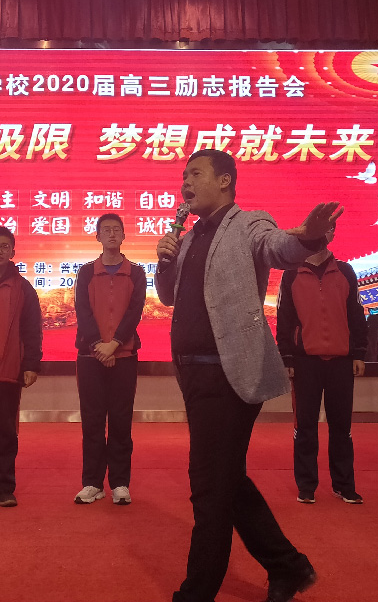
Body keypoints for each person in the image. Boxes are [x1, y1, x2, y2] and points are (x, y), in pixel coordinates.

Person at [155, 148, 342, 602]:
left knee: (208, 487)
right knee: (226, 480)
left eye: (195, 173)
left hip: (229, 374)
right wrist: (164, 258)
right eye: (183, 175)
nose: (185, 182)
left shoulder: (249, 223)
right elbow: (168, 296)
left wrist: (308, 238)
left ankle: (196, 593)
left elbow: (278, 246)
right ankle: (288, 566)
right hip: (193, 375)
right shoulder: (189, 236)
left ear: (225, 180)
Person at [276, 224, 368, 505]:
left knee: (342, 427)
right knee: (305, 426)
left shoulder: (346, 271)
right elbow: (284, 317)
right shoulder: (291, 273)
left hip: (341, 361)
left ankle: (344, 485)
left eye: (326, 230)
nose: (320, 235)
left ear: (332, 235)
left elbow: (356, 313)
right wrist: (287, 356)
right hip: (305, 362)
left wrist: (359, 353)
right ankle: (306, 485)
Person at [73, 213, 146, 505]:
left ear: (124, 236)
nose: (112, 234)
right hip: (90, 357)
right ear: (98, 237)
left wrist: (114, 345)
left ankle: (120, 483)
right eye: (106, 230)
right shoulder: (86, 272)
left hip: (124, 356)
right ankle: (92, 483)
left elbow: (135, 311)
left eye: (117, 229)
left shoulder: (136, 273)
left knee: (120, 420)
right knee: (92, 421)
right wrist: (98, 346)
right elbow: (82, 311)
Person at [0, 226, 42, 508]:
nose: (0, 250)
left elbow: (32, 329)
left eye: (5, 246)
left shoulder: (23, 288)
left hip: (8, 371)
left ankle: (4, 488)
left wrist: (31, 365)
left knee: (5, 432)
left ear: (13, 252)